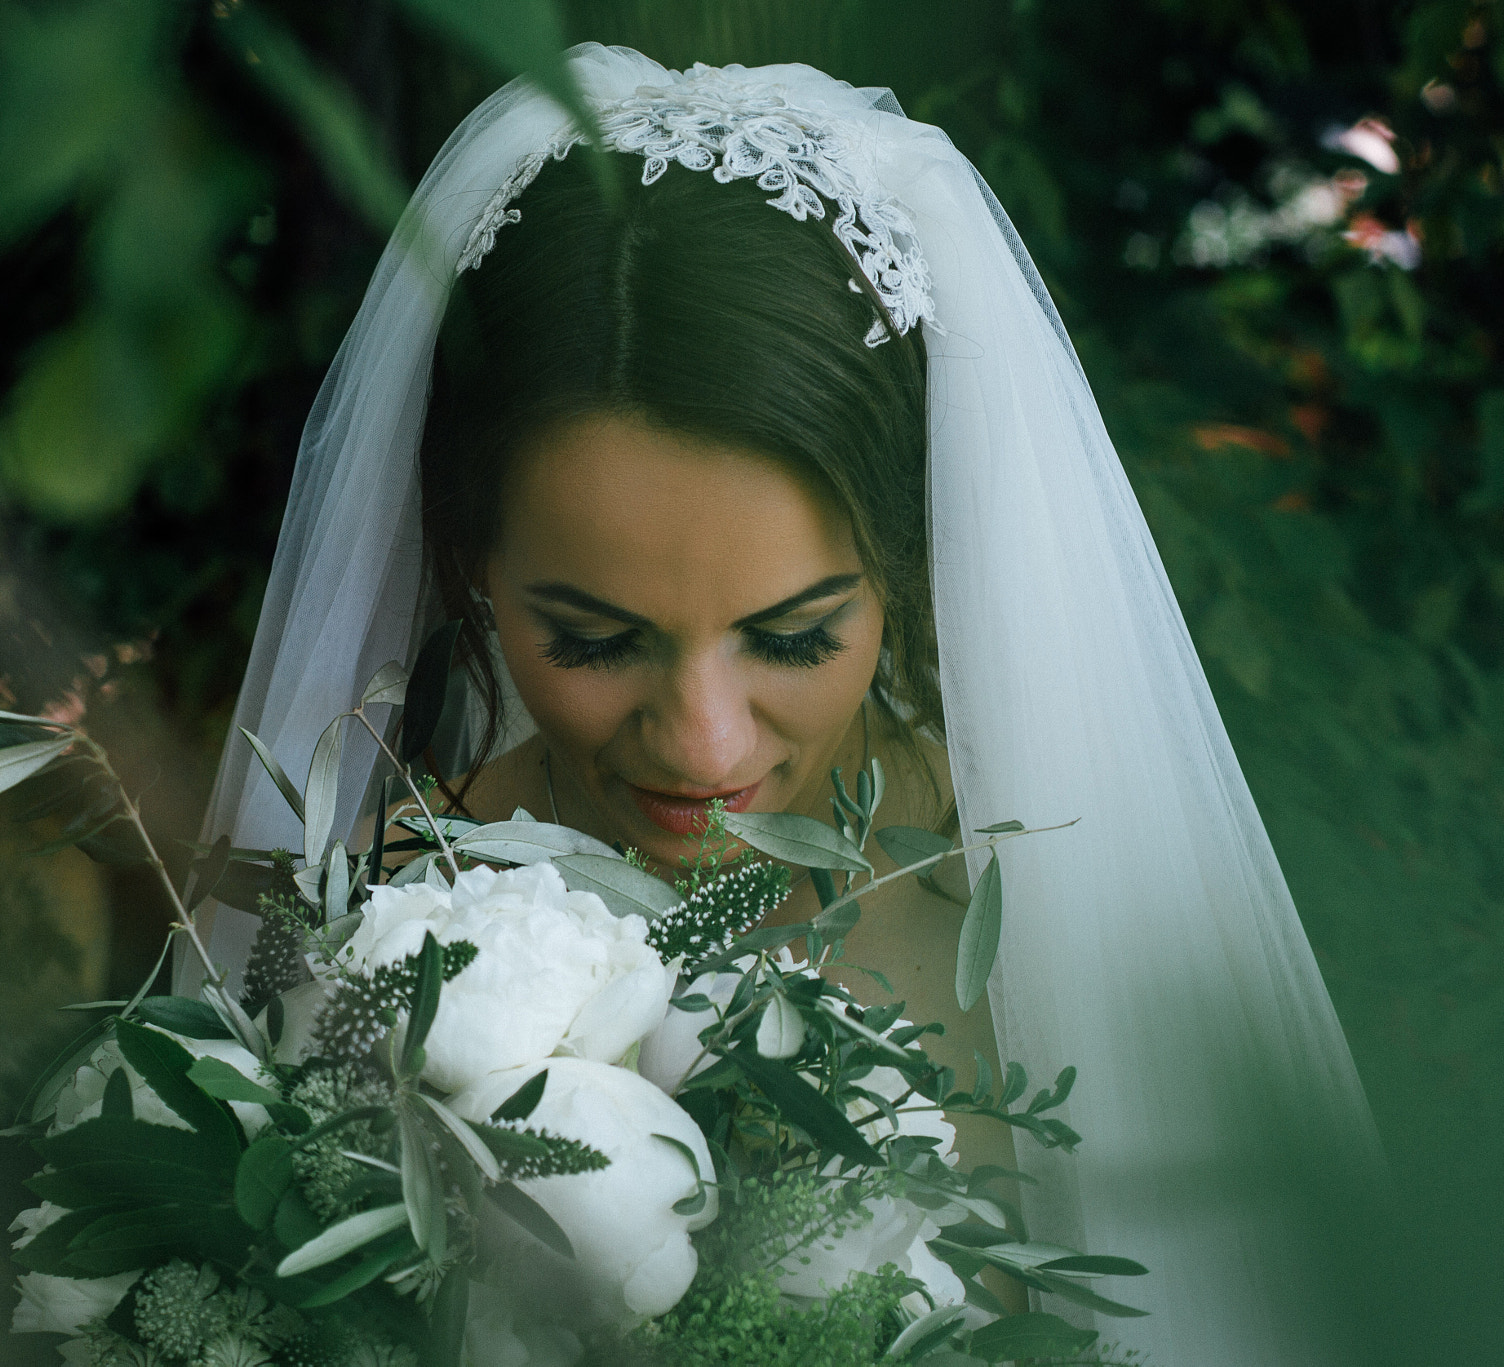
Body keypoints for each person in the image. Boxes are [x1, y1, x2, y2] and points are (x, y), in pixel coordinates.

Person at [193, 47, 1383, 1365]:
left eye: (798, 635)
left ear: (913, 568)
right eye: (593, 640)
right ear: (466, 562)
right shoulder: (362, 929)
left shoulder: (1070, 909)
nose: (705, 744)